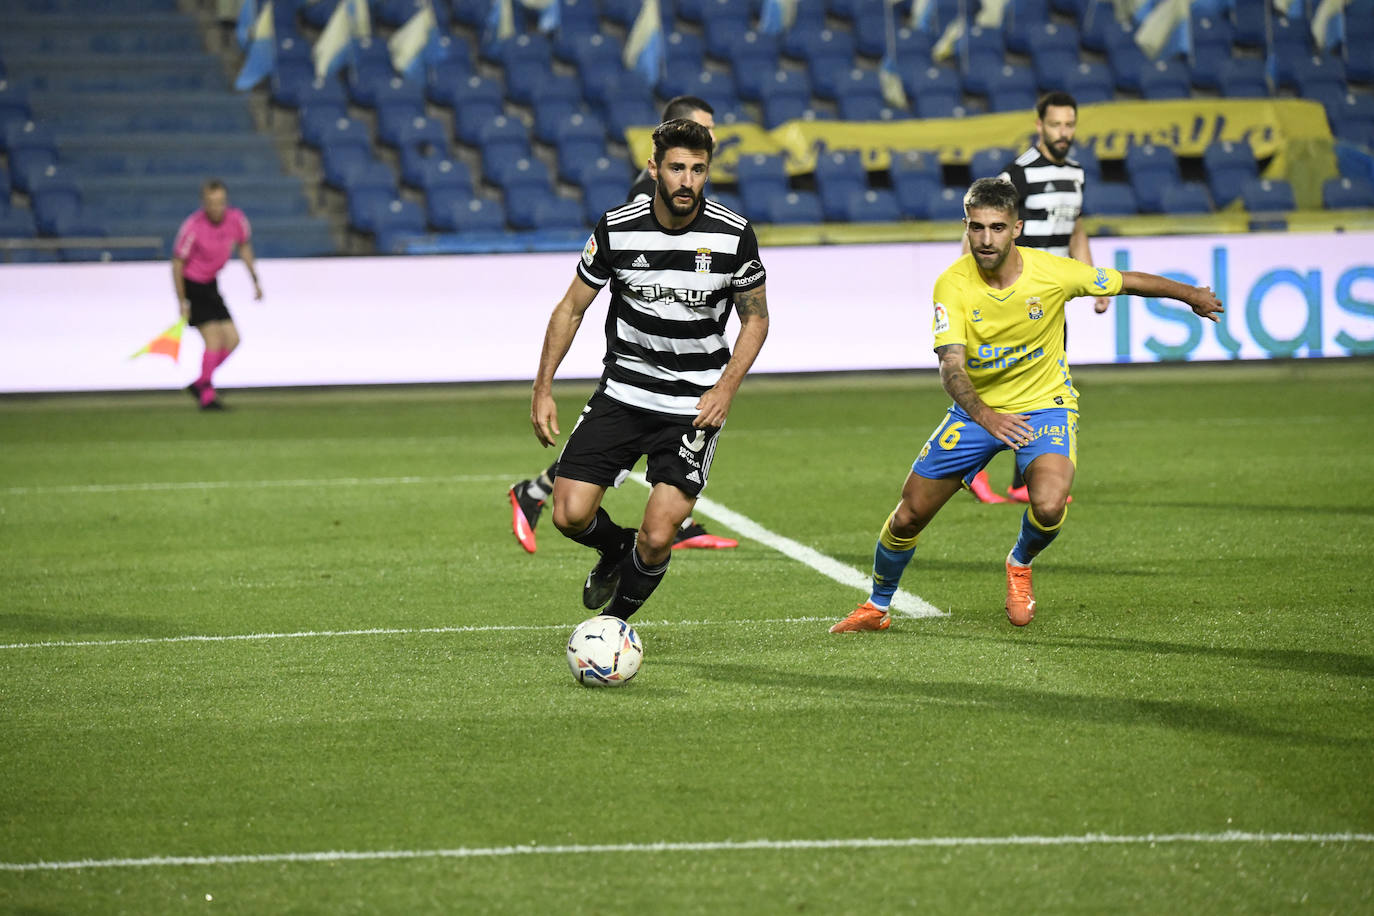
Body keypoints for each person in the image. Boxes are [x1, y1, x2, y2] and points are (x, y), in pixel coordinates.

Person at [829, 177, 1222, 632]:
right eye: (977, 228)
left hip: (1045, 405)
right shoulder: (951, 285)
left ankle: (1019, 562)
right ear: (966, 226)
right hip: (977, 411)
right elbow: (951, 368)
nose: (986, 239)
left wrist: (1189, 295)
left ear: (1016, 227)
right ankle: (877, 607)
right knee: (910, 512)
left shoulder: (1052, 272)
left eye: (997, 227)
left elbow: (1125, 281)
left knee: (1051, 504)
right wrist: (986, 416)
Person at [529, 118, 769, 621]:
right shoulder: (618, 226)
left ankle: (611, 626)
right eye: (677, 167)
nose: (687, 180)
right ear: (653, 167)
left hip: (692, 405)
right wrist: (543, 387)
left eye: (698, 170)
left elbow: (756, 319)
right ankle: (614, 548)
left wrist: (726, 388)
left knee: (659, 536)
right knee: (569, 515)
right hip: (623, 393)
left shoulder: (733, 235)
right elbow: (571, 308)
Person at [509, 96, 738, 552]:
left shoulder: (694, 196)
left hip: (672, 373)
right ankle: (548, 498)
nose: (713, 135)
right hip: (639, 369)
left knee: (623, 457)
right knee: (609, 459)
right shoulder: (645, 203)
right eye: (704, 126)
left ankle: (540, 492)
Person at [964, 91, 1112, 504]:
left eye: (1069, 125)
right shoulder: (1020, 172)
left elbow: (1075, 230)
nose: (1063, 132)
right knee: (1001, 382)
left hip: (1052, 300)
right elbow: (984, 227)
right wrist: (971, 284)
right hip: (1015, 295)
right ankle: (969, 467)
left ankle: (1021, 481)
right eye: (1056, 125)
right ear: (1039, 125)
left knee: (1042, 387)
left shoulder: (1078, 174)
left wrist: (1093, 282)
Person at [172, 179, 261, 411]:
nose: (216, 207)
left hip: (211, 285)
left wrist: (255, 280)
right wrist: (182, 300)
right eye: (211, 203)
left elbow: (244, 247)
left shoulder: (236, 221)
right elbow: (178, 263)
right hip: (194, 285)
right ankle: (207, 397)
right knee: (213, 340)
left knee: (233, 340)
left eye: (220, 202)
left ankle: (202, 381)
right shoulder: (193, 226)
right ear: (204, 203)